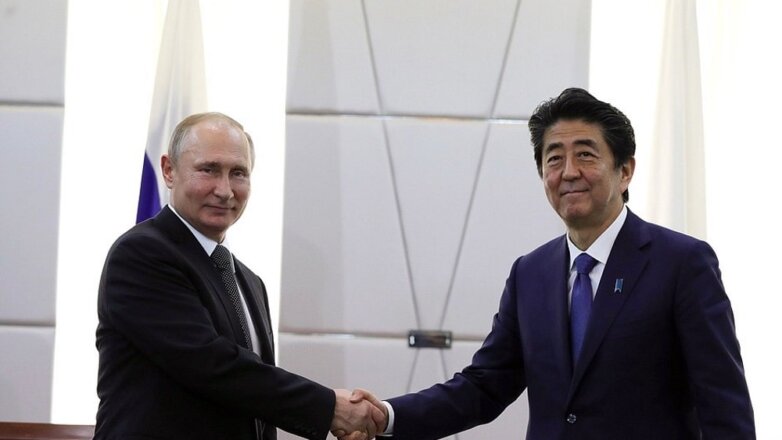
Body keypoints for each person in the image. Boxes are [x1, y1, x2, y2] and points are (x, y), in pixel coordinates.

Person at [352, 88, 755, 439]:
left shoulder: (682, 263)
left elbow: (723, 403)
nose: (569, 172)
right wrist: (387, 416)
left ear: (625, 171)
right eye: (554, 159)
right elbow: (484, 386)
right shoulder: (530, 274)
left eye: (585, 155)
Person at [95, 112, 383, 439]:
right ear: (169, 170)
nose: (225, 190)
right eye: (209, 169)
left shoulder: (249, 281)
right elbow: (211, 365)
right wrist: (329, 409)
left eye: (238, 173)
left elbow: (253, 394)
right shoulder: (140, 254)